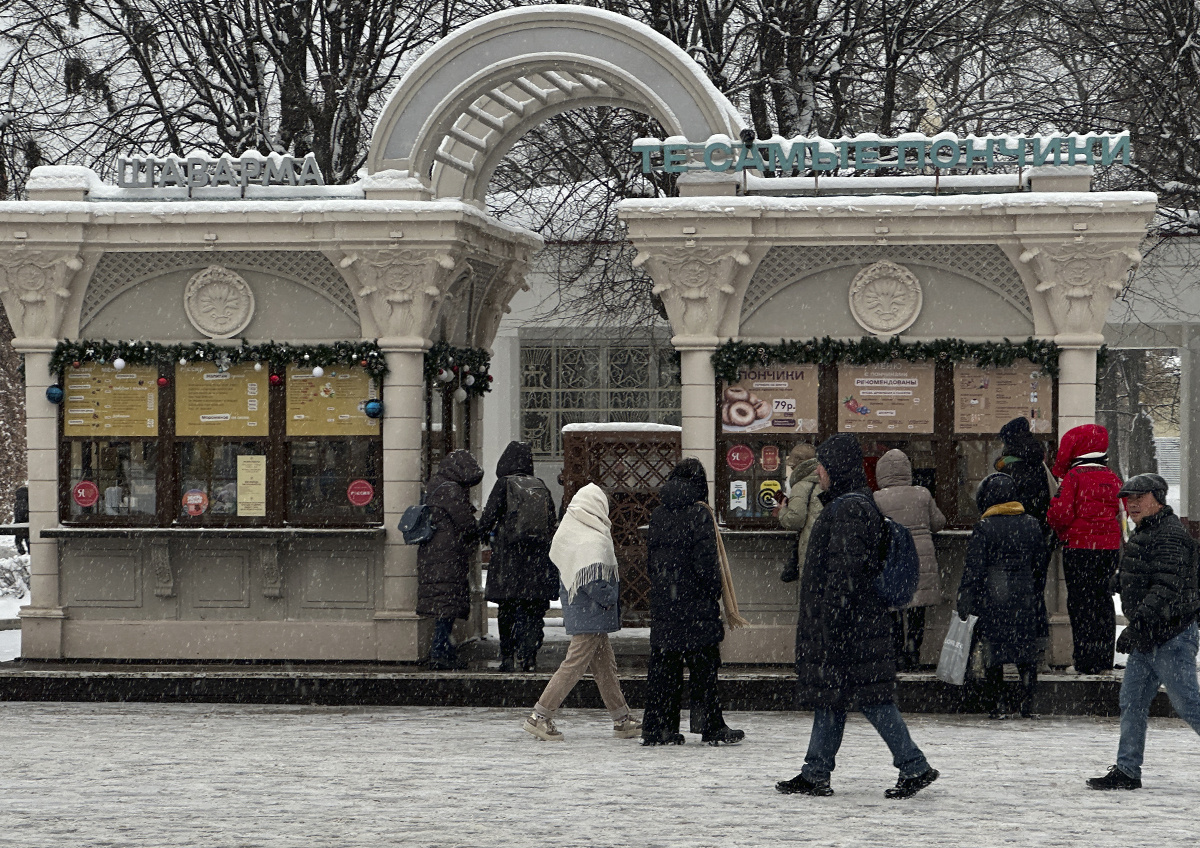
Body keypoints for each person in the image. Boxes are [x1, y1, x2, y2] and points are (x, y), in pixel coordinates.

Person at [776, 434, 938, 799]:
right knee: (833, 699)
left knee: (872, 700)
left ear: (836, 469)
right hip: (857, 623)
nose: (819, 471)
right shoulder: (855, 504)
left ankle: (914, 766)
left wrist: (831, 622)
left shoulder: (849, 510)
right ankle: (816, 771)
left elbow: (845, 574)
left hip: (849, 627)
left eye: (823, 466)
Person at [1087, 473, 1200, 790]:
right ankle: (1127, 771)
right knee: (1132, 702)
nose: (1132, 503)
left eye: (1140, 497)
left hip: (1172, 635)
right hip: (1149, 635)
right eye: (1128, 498)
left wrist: (1135, 627)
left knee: (1189, 704)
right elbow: (1148, 575)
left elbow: (1165, 588)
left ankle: (1127, 770)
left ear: (1158, 498)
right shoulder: (1146, 532)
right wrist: (1121, 580)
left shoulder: (1170, 535)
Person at [521, 483, 642, 741]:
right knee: (573, 667)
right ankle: (539, 717)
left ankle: (622, 718)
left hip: (584, 612)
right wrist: (612, 596)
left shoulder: (572, 530)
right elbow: (593, 582)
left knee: (605, 668)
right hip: (591, 613)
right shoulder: (591, 537)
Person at [642, 457, 744, 746]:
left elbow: (651, 563)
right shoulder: (700, 515)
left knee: (664, 669)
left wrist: (666, 589)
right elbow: (707, 566)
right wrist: (711, 591)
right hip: (696, 606)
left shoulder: (658, 514)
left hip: (666, 604)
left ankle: (658, 728)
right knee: (704, 670)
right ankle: (709, 725)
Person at [957, 473, 1046, 719]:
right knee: (1026, 654)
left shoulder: (985, 527)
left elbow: (974, 568)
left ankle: (998, 705)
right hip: (1026, 598)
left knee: (994, 654)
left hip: (994, 599)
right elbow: (1040, 565)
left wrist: (966, 597)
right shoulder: (1031, 523)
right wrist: (1033, 590)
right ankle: (1027, 705)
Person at [1047, 424, 1123, 674]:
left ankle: (1084, 659)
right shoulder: (1112, 477)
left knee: (1080, 604)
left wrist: (1057, 528)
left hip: (1080, 548)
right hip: (1108, 549)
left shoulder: (1075, 477)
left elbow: (1060, 513)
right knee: (1102, 601)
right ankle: (1102, 658)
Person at [479, 441, 558, 672]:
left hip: (509, 559)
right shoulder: (539, 485)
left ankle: (507, 657)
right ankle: (530, 656)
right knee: (532, 610)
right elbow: (550, 521)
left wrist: (483, 533)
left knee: (508, 610)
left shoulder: (504, 484)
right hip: (536, 561)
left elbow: (488, 517)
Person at [873, 448, 946, 669]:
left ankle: (896, 654)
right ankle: (914, 649)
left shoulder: (877, 498)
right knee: (917, 609)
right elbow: (938, 523)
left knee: (894, 607)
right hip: (921, 558)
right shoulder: (922, 494)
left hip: (894, 557)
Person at [416, 449, 484, 670]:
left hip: (434, 553)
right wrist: (478, 527)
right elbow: (464, 522)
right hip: (447, 555)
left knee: (442, 602)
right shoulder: (451, 490)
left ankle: (443, 649)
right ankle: (439, 651)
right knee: (447, 604)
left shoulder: (436, 484)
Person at [774, 443, 822, 584]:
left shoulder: (800, 486)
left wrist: (782, 510)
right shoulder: (823, 483)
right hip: (823, 546)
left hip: (809, 548)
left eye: (792, 466)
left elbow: (795, 520)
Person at [12, 485, 29, 555]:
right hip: (28, 523)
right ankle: (31, 553)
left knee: (18, 541)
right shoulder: (29, 502)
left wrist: (17, 522)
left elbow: (17, 514)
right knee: (28, 540)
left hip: (19, 524)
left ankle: (22, 552)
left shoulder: (17, 503)